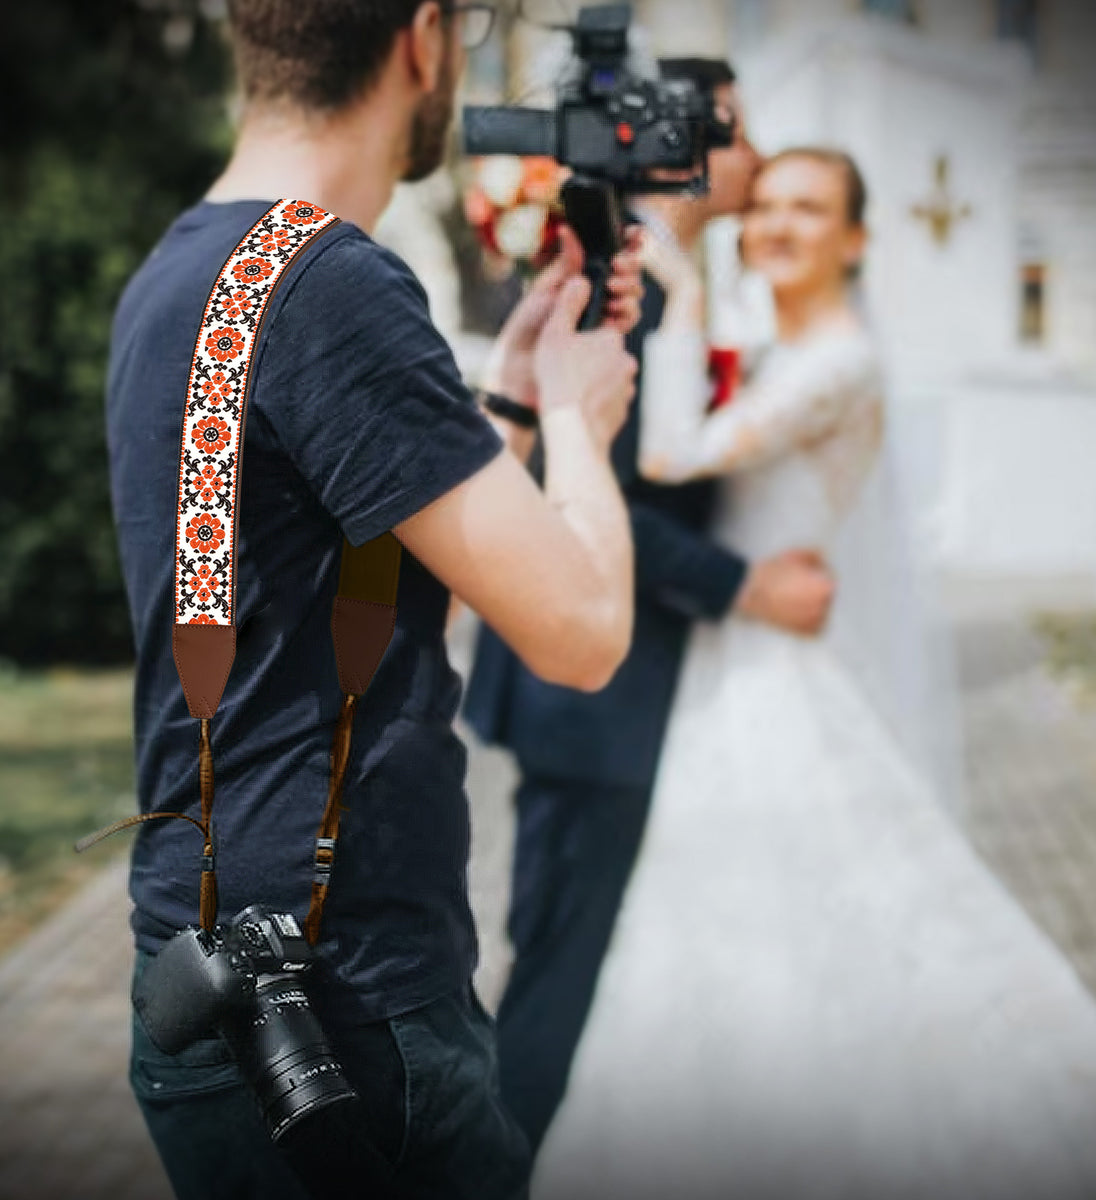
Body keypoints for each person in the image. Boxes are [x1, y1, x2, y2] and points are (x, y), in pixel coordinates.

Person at [103, 2, 648, 1197]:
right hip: (346, 1020)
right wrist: (576, 418)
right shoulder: (335, 284)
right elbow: (586, 634)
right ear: (422, 39)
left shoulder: (190, 268)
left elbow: (351, 614)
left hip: (210, 986)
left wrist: (500, 409)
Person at [533, 148, 1096, 1199]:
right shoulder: (787, 348)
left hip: (770, 674)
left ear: (858, 239)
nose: (779, 223)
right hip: (736, 656)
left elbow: (668, 457)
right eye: (772, 204)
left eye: (811, 208)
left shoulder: (840, 362)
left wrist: (686, 289)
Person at [462, 57, 836, 1156]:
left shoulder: (679, 282)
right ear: (686, 142)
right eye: (743, 133)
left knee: (582, 963)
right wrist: (744, 584)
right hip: (594, 699)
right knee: (556, 976)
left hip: (640, 687)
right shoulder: (638, 291)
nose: (758, 159)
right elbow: (601, 491)